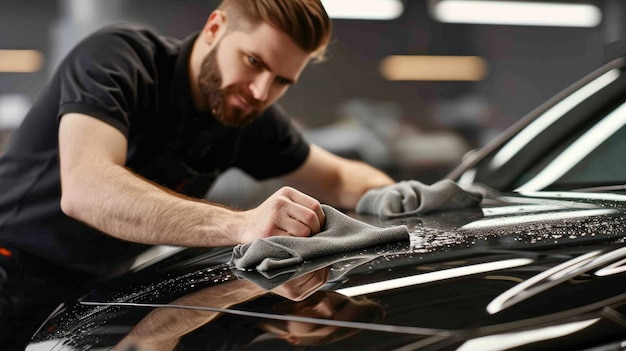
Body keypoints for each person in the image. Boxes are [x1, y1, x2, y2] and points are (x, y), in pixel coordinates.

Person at [0, 0, 397, 349]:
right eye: (254, 62)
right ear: (214, 28)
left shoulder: (245, 114)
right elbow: (85, 190)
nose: (260, 91)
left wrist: (402, 198)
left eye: (281, 81)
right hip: (9, 272)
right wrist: (244, 225)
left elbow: (340, 179)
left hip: (92, 297)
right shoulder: (119, 59)